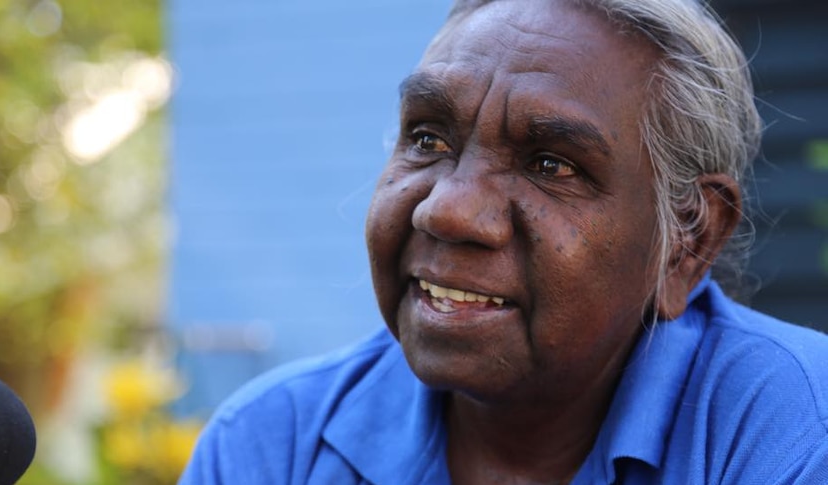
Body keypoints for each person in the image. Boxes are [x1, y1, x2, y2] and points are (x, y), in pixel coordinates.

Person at [179, 0, 828, 483]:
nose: (449, 211)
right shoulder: (271, 446)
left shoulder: (796, 435)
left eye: (551, 164)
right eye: (428, 138)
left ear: (687, 239)